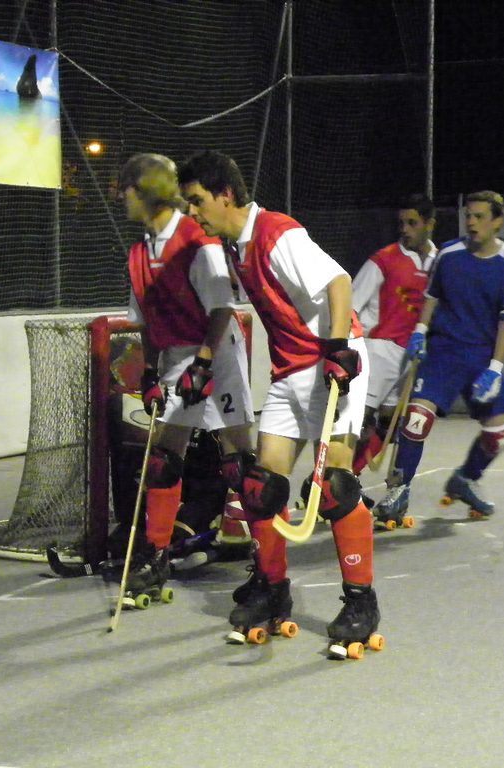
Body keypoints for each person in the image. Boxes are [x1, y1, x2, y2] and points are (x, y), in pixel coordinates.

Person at [178, 150, 380, 655]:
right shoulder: (234, 246)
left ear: (226, 193)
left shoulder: (275, 232)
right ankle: (273, 589)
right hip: (290, 371)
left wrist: (338, 348)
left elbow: (338, 281)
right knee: (259, 487)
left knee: (334, 487)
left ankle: (361, 602)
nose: (193, 212)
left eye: (197, 200)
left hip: (332, 359)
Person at [113, 153, 254, 601]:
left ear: (147, 190)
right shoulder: (139, 252)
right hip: (176, 356)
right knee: (162, 460)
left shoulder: (196, 240)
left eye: (126, 188)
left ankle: (267, 559)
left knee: (240, 463)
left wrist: (204, 363)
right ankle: (155, 557)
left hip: (217, 352)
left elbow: (222, 309)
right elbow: (145, 321)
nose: (120, 196)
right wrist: (150, 371)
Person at [374, 190, 504, 522]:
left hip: (481, 358)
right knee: (416, 420)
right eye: (468, 216)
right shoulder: (449, 253)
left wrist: (495, 369)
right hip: (443, 352)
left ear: (498, 221)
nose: (471, 223)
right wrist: (420, 330)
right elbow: (432, 296)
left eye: (479, 217)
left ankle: (465, 479)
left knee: (500, 434)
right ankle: (398, 491)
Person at [350, 195, 438, 526]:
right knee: (360, 423)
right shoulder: (383, 260)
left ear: (430, 224)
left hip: (411, 357)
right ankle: (334, 483)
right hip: (378, 349)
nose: (405, 229)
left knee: (390, 426)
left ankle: (349, 480)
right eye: (402, 223)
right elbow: (351, 305)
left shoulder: (440, 263)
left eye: (412, 223)